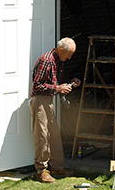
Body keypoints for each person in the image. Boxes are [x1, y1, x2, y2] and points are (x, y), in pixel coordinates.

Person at [30, 37, 81, 183]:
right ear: (60, 50)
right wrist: (58, 88)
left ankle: (57, 168)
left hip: (49, 101)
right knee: (42, 136)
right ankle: (41, 171)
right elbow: (37, 86)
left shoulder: (59, 61)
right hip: (39, 100)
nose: (70, 57)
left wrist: (71, 83)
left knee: (54, 135)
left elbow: (57, 82)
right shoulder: (46, 60)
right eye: (69, 54)